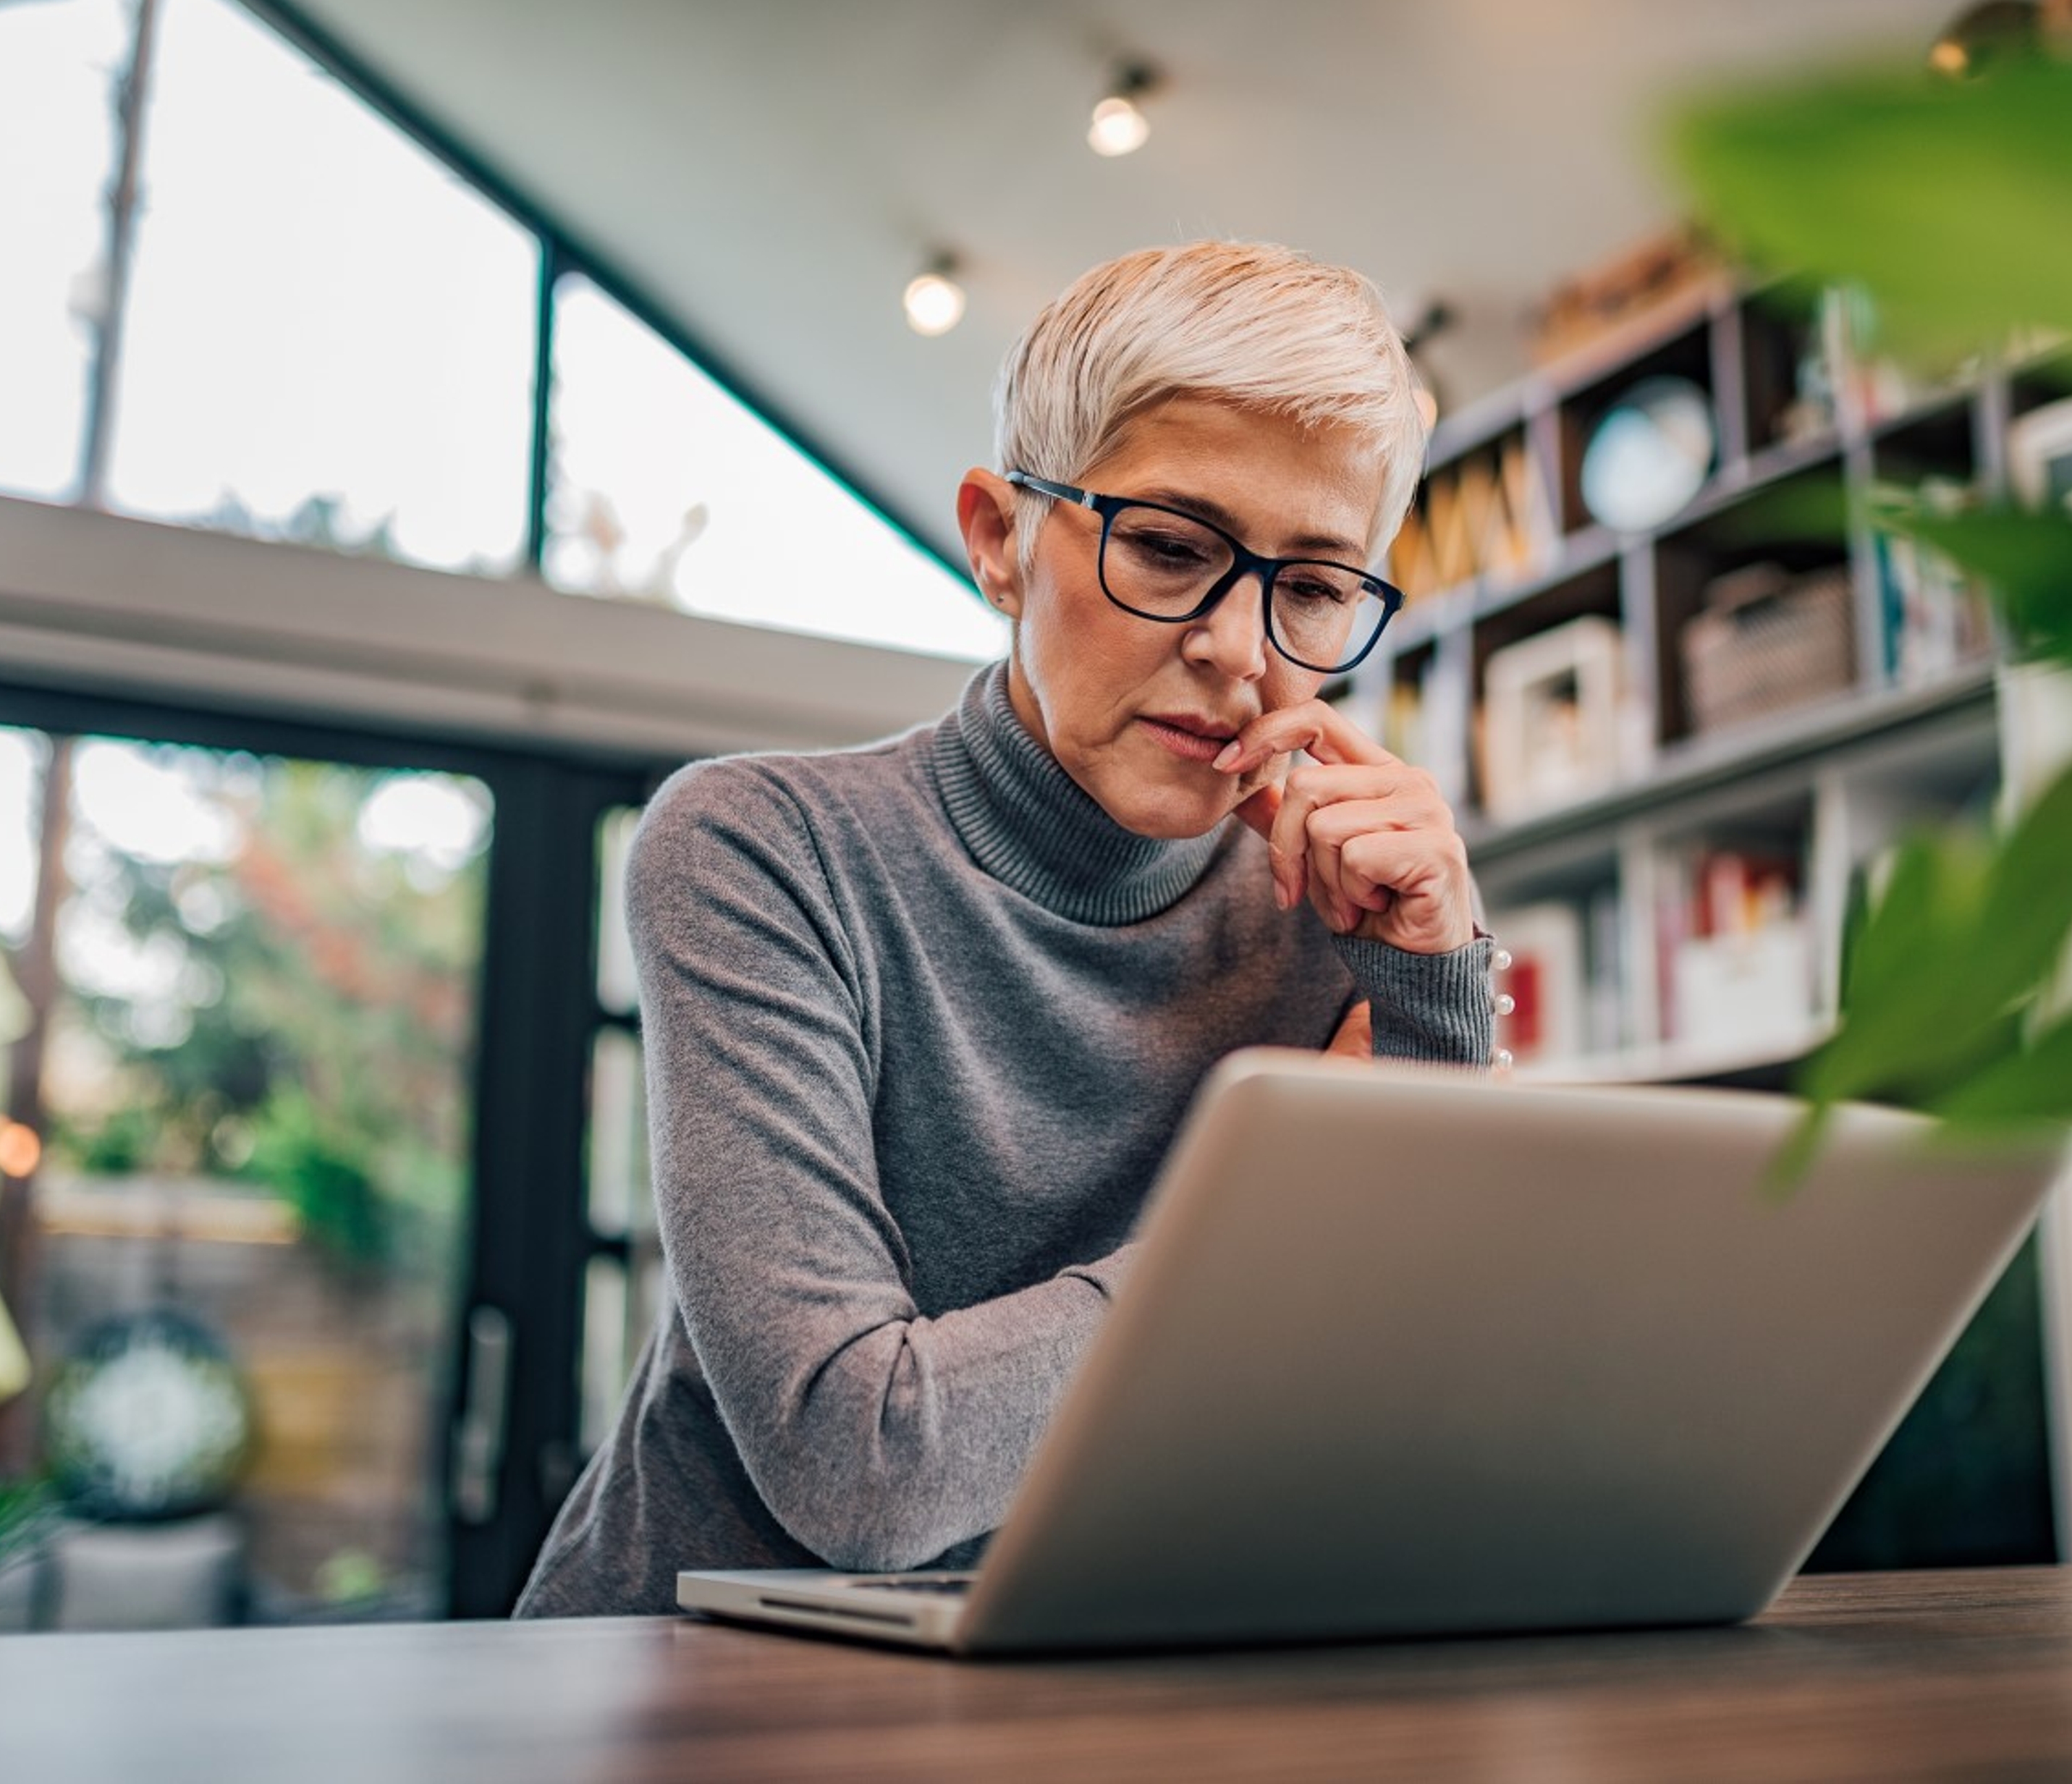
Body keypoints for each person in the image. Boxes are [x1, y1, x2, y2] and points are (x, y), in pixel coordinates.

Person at [515, 241, 1501, 1617]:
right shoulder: (762, 849)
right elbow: (860, 1464)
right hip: (695, 1695)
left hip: (1094, 1686)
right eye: (1168, 547)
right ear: (999, 540)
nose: (1239, 646)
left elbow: (1421, 1439)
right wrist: (1266, 1242)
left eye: (1318, 588)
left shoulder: (1340, 911)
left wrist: (1439, 1002)